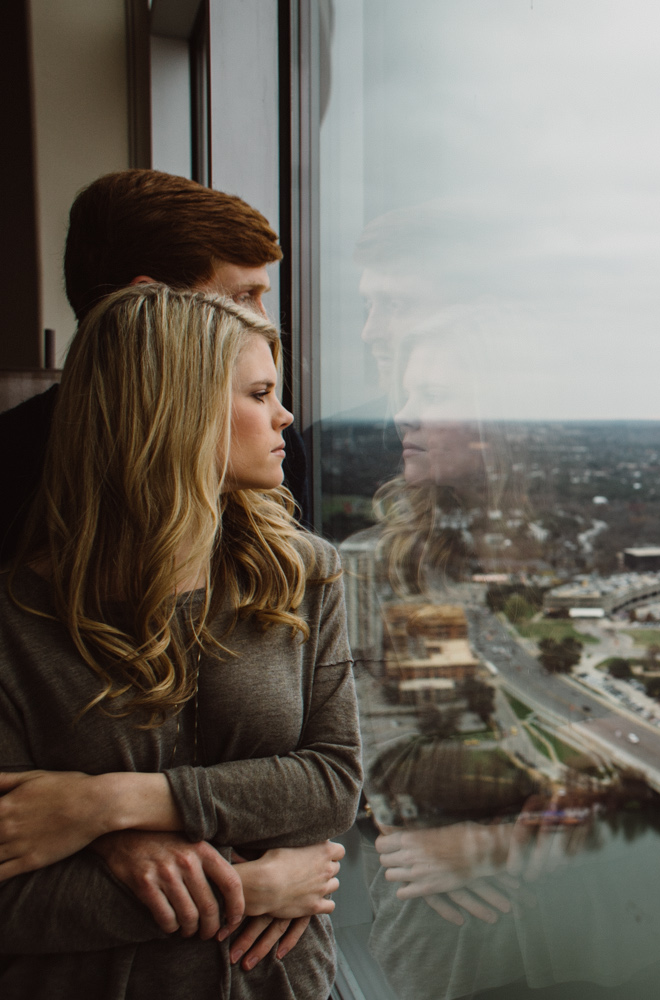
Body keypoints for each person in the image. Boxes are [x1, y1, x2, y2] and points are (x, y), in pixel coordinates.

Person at [0, 286, 362, 997]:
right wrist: (253, 887)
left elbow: (331, 785)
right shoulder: (16, 621)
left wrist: (104, 807)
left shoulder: (302, 573)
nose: (285, 415)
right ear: (177, 411)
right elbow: (12, 902)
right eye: (259, 393)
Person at [0, 169, 310, 564]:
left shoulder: (274, 452)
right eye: (244, 297)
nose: (264, 322)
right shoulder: (13, 465)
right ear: (145, 303)